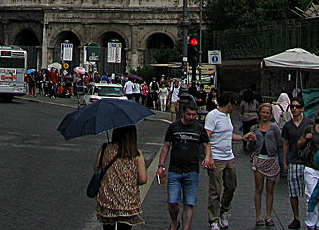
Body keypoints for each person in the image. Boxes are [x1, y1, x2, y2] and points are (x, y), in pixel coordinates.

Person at [157, 101, 213, 230]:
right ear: (183, 113)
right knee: (172, 201)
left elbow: (206, 144)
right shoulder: (174, 127)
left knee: (189, 202)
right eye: (189, 114)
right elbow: (166, 146)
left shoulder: (199, 128)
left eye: (194, 115)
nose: (191, 118)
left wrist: (207, 157)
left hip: (192, 169)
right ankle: (175, 221)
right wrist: (160, 165)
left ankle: (186, 227)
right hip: (175, 169)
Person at [95, 124, 148, 230]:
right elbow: (143, 179)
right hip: (127, 201)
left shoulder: (105, 148)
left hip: (107, 199)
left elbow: (96, 168)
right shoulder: (136, 154)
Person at [205, 90, 243, 230]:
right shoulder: (212, 116)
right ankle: (213, 219)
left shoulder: (227, 116)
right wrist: (208, 157)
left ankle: (224, 211)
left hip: (229, 156)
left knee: (231, 186)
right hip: (217, 157)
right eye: (234, 105)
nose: (235, 108)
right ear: (229, 104)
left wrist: (243, 137)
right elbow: (206, 137)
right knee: (216, 189)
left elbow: (228, 134)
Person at [244, 103, 283, 226]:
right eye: (263, 112)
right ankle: (258, 215)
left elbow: (279, 144)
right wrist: (251, 142)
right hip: (259, 158)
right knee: (259, 189)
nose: (265, 115)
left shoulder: (274, 128)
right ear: (259, 113)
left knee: (270, 190)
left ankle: (269, 215)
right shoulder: (254, 128)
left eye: (267, 113)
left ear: (270, 114)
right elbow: (250, 147)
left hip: (271, 159)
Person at [282, 97, 314, 229]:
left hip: (307, 161)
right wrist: (284, 162)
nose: (294, 109)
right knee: (293, 192)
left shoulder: (310, 123)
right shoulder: (287, 125)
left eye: (297, 106)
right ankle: (296, 217)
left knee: (309, 192)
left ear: (302, 108)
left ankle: (311, 217)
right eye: (292, 106)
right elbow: (285, 144)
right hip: (294, 160)